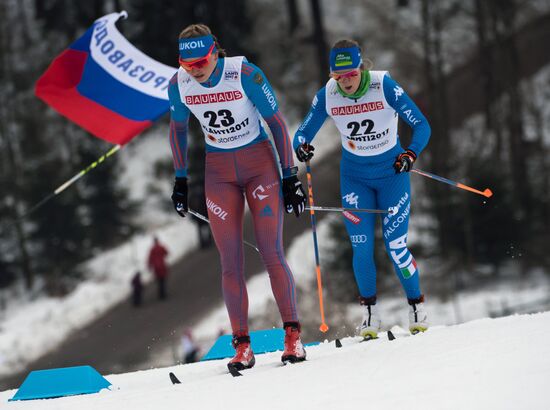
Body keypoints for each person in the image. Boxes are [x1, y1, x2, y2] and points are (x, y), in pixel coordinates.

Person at [168, 24, 308, 370]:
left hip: (259, 165)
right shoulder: (178, 84)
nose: (196, 69)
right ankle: (242, 346)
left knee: (271, 251)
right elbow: (178, 130)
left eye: (201, 61)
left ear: (215, 51)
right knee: (230, 263)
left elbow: (276, 122)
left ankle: (292, 337)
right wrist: (181, 181)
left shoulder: (244, 73)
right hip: (218, 172)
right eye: (188, 64)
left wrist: (290, 177)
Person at [293, 39, 431, 339]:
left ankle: (416, 305)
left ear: (361, 68)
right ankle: (370, 314)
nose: (345, 82)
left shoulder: (383, 85)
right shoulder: (328, 95)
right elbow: (302, 132)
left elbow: (422, 124)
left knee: (396, 247)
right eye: (338, 77)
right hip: (355, 178)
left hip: (392, 175)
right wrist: (301, 146)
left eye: (351, 75)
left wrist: (410, 154)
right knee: (361, 247)